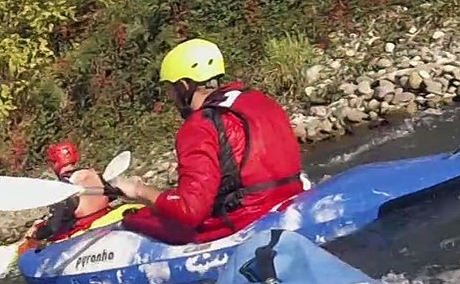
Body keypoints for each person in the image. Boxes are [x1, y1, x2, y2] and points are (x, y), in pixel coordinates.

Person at [114, 38, 305, 245]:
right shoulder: (259, 100)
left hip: (243, 221)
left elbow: (189, 211)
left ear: (184, 85)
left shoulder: (199, 126)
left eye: (171, 88)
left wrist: (140, 191)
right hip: (290, 200)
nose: (170, 96)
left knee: (136, 221)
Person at [24, 143, 133, 243]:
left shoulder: (63, 187)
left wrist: (36, 234)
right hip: (106, 217)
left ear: (53, 163)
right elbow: (112, 195)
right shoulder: (93, 175)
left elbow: (53, 228)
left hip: (84, 231)